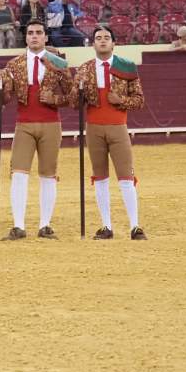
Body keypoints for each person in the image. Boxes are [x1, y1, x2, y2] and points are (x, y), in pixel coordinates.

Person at [69, 26, 147, 240]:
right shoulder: (84, 69)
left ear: (114, 43)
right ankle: (106, 226)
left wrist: (120, 100)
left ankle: (135, 226)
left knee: (126, 177)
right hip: (93, 129)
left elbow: (139, 100)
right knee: (100, 177)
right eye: (98, 38)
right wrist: (79, 91)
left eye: (106, 38)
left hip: (118, 127)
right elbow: (74, 104)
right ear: (92, 44)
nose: (102, 41)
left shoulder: (127, 67)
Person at [0, 20, 73, 241]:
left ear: (46, 37)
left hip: (51, 124)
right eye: (30, 33)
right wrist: (1, 87)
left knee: (48, 175)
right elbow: (6, 98)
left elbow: (74, 97)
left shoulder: (58, 63)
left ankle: (45, 225)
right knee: (19, 174)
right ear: (26, 37)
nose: (34, 36)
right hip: (24, 125)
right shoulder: (14, 65)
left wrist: (55, 98)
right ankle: (19, 226)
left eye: (39, 33)